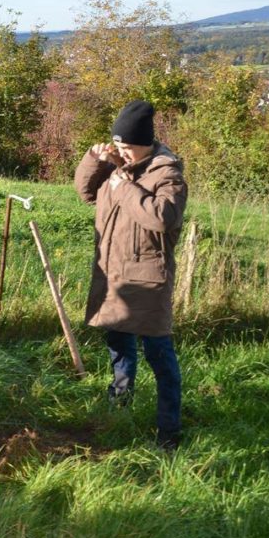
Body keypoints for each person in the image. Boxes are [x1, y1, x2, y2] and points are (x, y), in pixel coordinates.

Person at [74, 99, 188, 449]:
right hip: (114, 276)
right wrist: (94, 160)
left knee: (160, 357)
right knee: (119, 347)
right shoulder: (118, 167)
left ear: (143, 144)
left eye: (126, 147)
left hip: (148, 280)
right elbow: (85, 193)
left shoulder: (167, 173)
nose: (121, 151)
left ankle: (169, 430)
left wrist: (124, 185)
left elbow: (161, 217)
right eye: (118, 145)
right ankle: (120, 403)